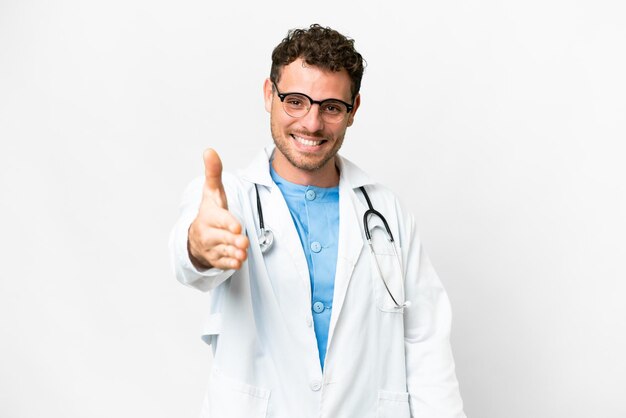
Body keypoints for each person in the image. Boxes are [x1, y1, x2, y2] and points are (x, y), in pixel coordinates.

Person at [170, 24, 466, 418]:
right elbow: (190, 259)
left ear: (353, 110)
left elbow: (427, 347)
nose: (311, 123)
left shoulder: (386, 213)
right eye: (295, 101)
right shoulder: (232, 198)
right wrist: (199, 247)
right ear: (268, 95)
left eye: (330, 107)